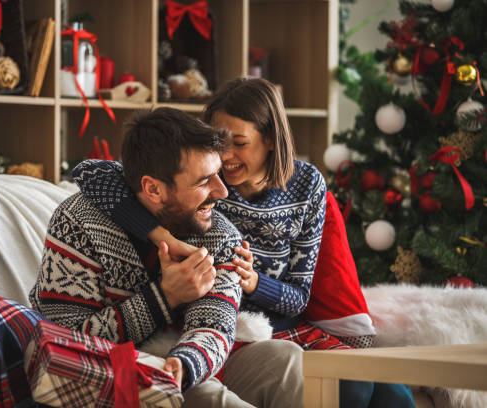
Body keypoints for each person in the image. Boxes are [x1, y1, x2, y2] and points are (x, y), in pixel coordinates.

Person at [73, 78, 415, 408]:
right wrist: (157, 233)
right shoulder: (206, 180)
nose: (227, 156)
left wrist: (255, 283)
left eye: (239, 142)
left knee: (392, 391)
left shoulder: (307, 185)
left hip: (285, 326)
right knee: (349, 392)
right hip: (222, 328)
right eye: (219, 142)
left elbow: (299, 298)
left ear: (269, 139)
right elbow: (91, 173)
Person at [31, 107, 304, 408]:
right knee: (206, 396)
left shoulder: (219, 234)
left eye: (219, 174)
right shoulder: (77, 222)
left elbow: (216, 324)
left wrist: (185, 365)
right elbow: (68, 340)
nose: (223, 191)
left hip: (189, 362)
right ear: (153, 189)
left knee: (288, 359)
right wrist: (164, 298)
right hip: (105, 375)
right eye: (204, 181)